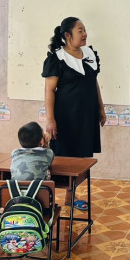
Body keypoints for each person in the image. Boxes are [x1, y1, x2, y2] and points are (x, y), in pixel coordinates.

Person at [42, 17, 106, 158]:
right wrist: (50, 120)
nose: (85, 34)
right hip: (66, 117)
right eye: (80, 31)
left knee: (84, 156)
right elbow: (49, 90)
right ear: (67, 35)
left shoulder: (90, 54)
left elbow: (93, 82)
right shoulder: (57, 58)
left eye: (85, 30)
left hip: (87, 116)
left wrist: (101, 108)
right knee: (65, 156)